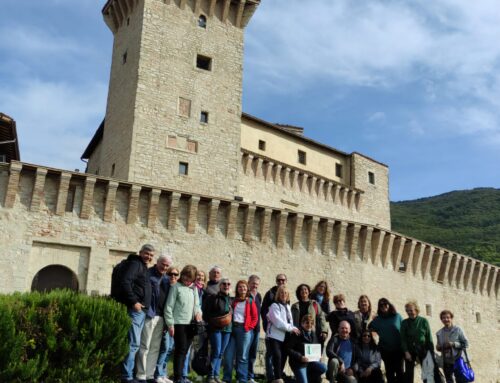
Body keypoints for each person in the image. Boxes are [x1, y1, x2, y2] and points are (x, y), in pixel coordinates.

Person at [112, 244, 154, 383]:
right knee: (134, 343)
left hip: (140, 311)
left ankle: (128, 374)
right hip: (135, 310)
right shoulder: (136, 264)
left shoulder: (141, 266)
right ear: (140, 252)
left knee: (134, 343)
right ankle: (127, 376)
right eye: (147, 253)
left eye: (151, 255)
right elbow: (125, 282)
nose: (149, 257)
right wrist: (134, 302)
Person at [136, 254, 172, 383]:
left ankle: (150, 375)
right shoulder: (148, 274)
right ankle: (141, 374)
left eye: (167, 265)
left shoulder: (167, 279)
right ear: (157, 262)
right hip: (149, 314)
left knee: (155, 347)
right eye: (163, 264)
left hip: (161, 317)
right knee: (145, 345)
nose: (165, 267)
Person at [164, 265, 202, 383]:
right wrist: (170, 324)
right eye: (185, 278)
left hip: (191, 324)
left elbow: (197, 306)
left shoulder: (194, 288)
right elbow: (168, 307)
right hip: (179, 323)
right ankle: (178, 378)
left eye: (189, 279)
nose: (187, 281)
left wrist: (198, 313)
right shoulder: (176, 287)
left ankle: (181, 376)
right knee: (180, 350)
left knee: (185, 351)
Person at [222, 280, 258, 383]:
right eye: (240, 287)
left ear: (247, 289)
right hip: (233, 329)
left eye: (244, 287)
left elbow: (255, 318)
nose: (242, 289)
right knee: (228, 355)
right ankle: (226, 378)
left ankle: (242, 379)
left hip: (245, 330)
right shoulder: (234, 301)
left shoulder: (250, 301)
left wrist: (249, 327)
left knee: (242, 357)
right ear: (237, 289)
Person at [266, 285, 300, 383]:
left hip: (286, 336)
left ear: (288, 295)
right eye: (281, 292)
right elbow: (277, 322)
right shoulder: (274, 306)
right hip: (275, 336)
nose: (283, 294)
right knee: (277, 356)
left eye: (285, 293)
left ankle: (278, 376)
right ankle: (277, 378)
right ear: (278, 294)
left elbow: (290, 321)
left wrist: (293, 328)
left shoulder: (288, 307)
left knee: (283, 357)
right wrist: (291, 328)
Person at [204, 278, 233, 383]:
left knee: (221, 353)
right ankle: (210, 376)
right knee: (216, 351)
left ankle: (216, 376)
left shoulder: (231, 300)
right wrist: (216, 321)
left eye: (228, 284)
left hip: (227, 330)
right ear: (220, 286)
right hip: (215, 329)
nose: (226, 286)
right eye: (224, 284)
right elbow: (206, 313)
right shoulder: (213, 298)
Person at [368, 298, 403, 383]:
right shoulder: (377, 320)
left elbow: (404, 330)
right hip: (385, 350)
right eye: (381, 305)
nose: (383, 306)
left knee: (399, 372)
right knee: (389, 373)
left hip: (398, 349)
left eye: (385, 304)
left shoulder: (397, 316)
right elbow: (368, 328)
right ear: (379, 307)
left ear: (389, 305)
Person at [261, 273, 288, 382]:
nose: (281, 282)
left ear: (286, 281)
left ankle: (278, 375)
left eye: (283, 280)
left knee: (279, 354)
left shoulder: (286, 295)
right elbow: (263, 310)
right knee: (270, 354)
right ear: (276, 281)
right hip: (271, 330)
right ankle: (270, 376)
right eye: (279, 280)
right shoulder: (270, 293)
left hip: (282, 331)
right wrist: (267, 325)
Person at [156, 266, 180, 383]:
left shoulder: (177, 288)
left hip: (174, 324)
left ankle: (163, 373)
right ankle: (158, 374)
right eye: (171, 274)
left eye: (176, 275)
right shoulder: (164, 287)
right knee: (164, 348)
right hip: (164, 322)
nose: (173, 276)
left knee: (169, 348)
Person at [287, 314, 327, 383]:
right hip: (299, 363)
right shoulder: (297, 333)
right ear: (302, 323)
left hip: (310, 362)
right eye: (307, 323)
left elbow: (316, 347)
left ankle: (308, 378)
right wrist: (300, 357)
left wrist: (318, 356)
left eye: (311, 323)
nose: (309, 325)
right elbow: (288, 349)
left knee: (323, 367)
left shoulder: (313, 334)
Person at [400, 301, 434, 383]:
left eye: (411, 310)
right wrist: (406, 352)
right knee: (409, 374)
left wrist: (431, 352)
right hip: (410, 350)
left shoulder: (423, 321)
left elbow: (429, 338)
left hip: (423, 349)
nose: (409, 312)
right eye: (407, 311)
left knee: (427, 373)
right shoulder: (404, 323)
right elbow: (403, 339)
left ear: (416, 310)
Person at [291, 284, 328, 350]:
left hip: (312, 333)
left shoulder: (315, 304)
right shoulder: (295, 306)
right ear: (299, 293)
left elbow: (321, 317)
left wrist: (324, 331)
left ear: (308, 292)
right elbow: (290, 319)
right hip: (299, 334)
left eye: (305, 289)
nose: (303, 291)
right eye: (301, 289)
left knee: (311, 354)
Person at [435, 310, 469, 383]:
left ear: (451, 318)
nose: (446, 319)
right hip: (446, 361)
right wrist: (438, 347)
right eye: (443, 318)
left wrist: (453, 344)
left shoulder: (458, 330)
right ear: (441, 320)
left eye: (448, 317)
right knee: (449, 381)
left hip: (458, 359)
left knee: (461, 380)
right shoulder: (439, 333)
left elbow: (466, 344)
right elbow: (439, 347)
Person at [247, 275, 262, 383]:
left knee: (252, 354)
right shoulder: (245, 295)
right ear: (248, 283)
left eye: (256, 284)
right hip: (247, 329)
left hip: (256, 329)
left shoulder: (259, 296)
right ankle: (242, 376)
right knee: (244, 354)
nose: (254, 285)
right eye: (253, 283)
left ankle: (250, 376)